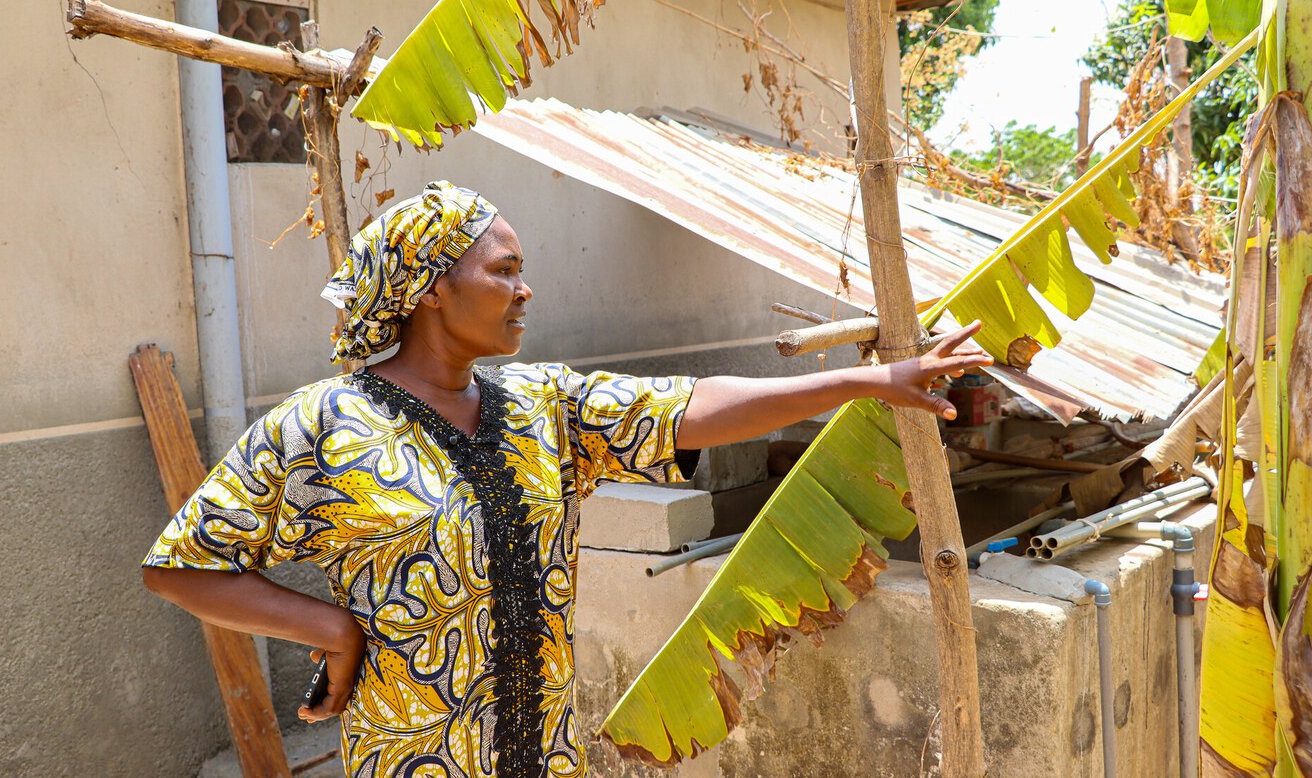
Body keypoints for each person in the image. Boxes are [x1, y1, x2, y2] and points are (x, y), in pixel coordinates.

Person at [141, 181, 992, 778]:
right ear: (434, 288)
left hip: (545, 757)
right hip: (411, 759)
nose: (525, 288)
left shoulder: (543, 402)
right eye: (503, 269)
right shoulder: (323, 425)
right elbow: (179, 565)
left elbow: (689, 404)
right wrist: (333, 628)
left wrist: (864, 380)